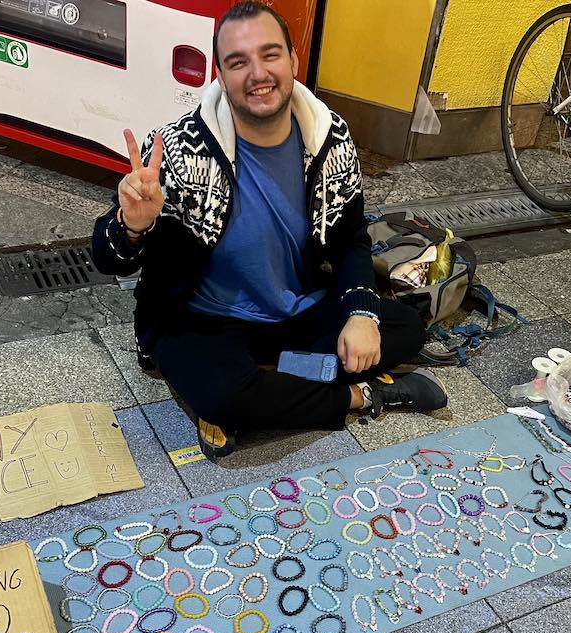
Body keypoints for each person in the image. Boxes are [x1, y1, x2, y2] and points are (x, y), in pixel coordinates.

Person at [92, 1, 447, 459]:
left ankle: (263, 383)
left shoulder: (329, 137)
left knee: (404, 326)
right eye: (238, 62)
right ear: (219, 74)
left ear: (293, 60)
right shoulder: (176, 147)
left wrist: (360, 316)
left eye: (270, 54)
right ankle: (363, 396)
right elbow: (105, 258)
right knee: (224, 394)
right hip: (199, 318)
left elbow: (350, 239)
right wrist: (130, 226)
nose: (257, 73)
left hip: (292, 311)